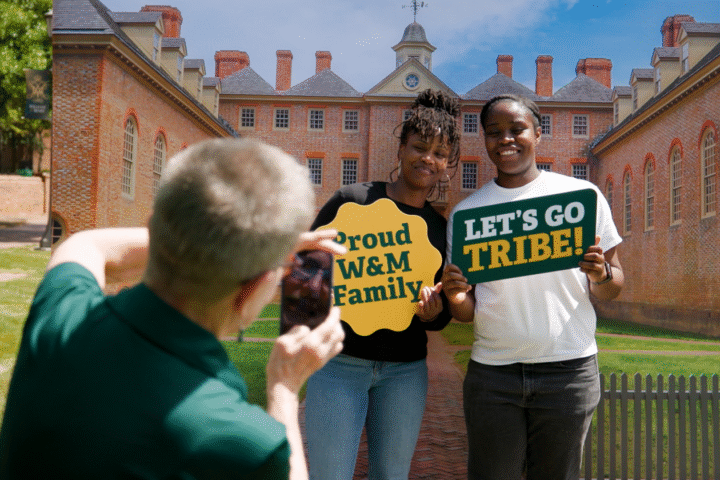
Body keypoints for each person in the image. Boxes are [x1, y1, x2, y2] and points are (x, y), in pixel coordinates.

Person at [0, 138, 345, 480]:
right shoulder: (244, 441)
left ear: (152, 227)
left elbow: (88, 244)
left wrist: (211, 242)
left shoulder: (61, 317)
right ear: (256, 285)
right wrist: (283, 390)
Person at [442, 94, 624, 480]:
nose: (505, 139)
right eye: (494, 132)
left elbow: (613, 286)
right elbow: (466, 312)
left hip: (568, 371)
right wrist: (456, 295)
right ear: (485, 140)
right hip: (494, 375)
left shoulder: (581, 197)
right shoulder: (467, 215)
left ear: (537, 134)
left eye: (516, 129)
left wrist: (601, 275)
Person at [304, 88, 460, 480]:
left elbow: (437, 318)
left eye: (439, 154)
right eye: (420, 147)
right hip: (338, 364)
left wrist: (434, 313)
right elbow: (305, 267)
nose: (428, 158)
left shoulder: (440, 228)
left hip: (405, 373)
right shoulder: (351, 200)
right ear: (401, 150)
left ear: (448, 165)